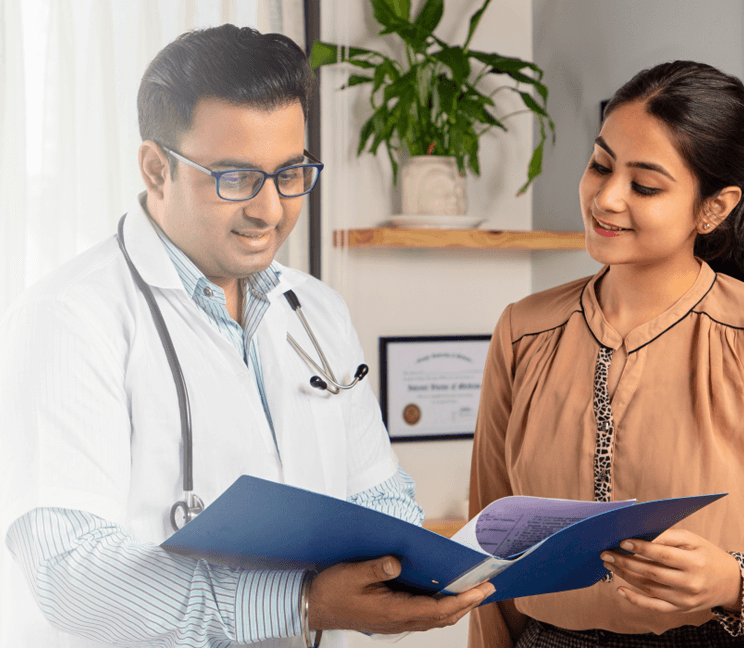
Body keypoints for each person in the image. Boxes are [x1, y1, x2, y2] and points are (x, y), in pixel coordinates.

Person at [0, 24, 493, 648]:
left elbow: (380, 494)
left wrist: (412, 580)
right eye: (235, 178)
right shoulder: (69, 317)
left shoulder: (316, 310)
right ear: (156, 169)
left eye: (290, 173)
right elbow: (70, 572)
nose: (270, 210)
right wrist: (303, 603)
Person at [467, 61, 744, 648]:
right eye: (600, 165)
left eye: (645, 186)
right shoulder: (523, 330)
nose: (606, 198)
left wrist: (730, 580)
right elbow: (487, 558)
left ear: (714, 208)